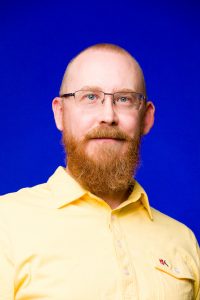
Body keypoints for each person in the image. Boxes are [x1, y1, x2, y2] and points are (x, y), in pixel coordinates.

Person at [0, 43, 199, 300]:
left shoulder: (183, 241)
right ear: (60, 113)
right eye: (90, 97)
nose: (108, 116)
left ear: (147, 119)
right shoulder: (6, 223)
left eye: (125, 99)